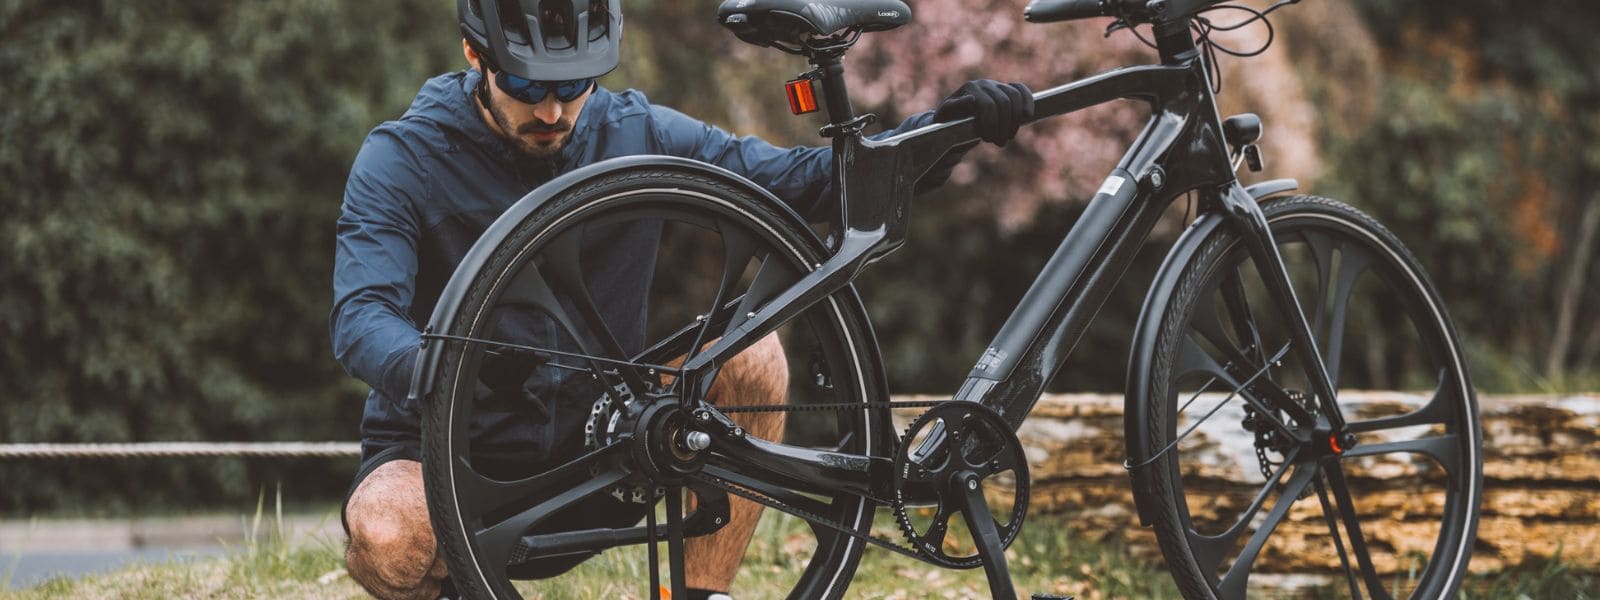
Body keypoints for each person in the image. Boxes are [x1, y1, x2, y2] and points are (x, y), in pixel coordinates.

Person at [330, 1, 1034, 598]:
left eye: (574, 85)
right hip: (447, 459)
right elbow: (361, 317)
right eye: (524, 83)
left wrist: (943, 133)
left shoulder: (636, 130)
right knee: (389, 535)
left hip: (606, 448)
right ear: (474, 55)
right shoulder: (402, 158)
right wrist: (451, 366)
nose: (551, 109)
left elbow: (802, 183)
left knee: (752, 354)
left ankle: (698, 594)